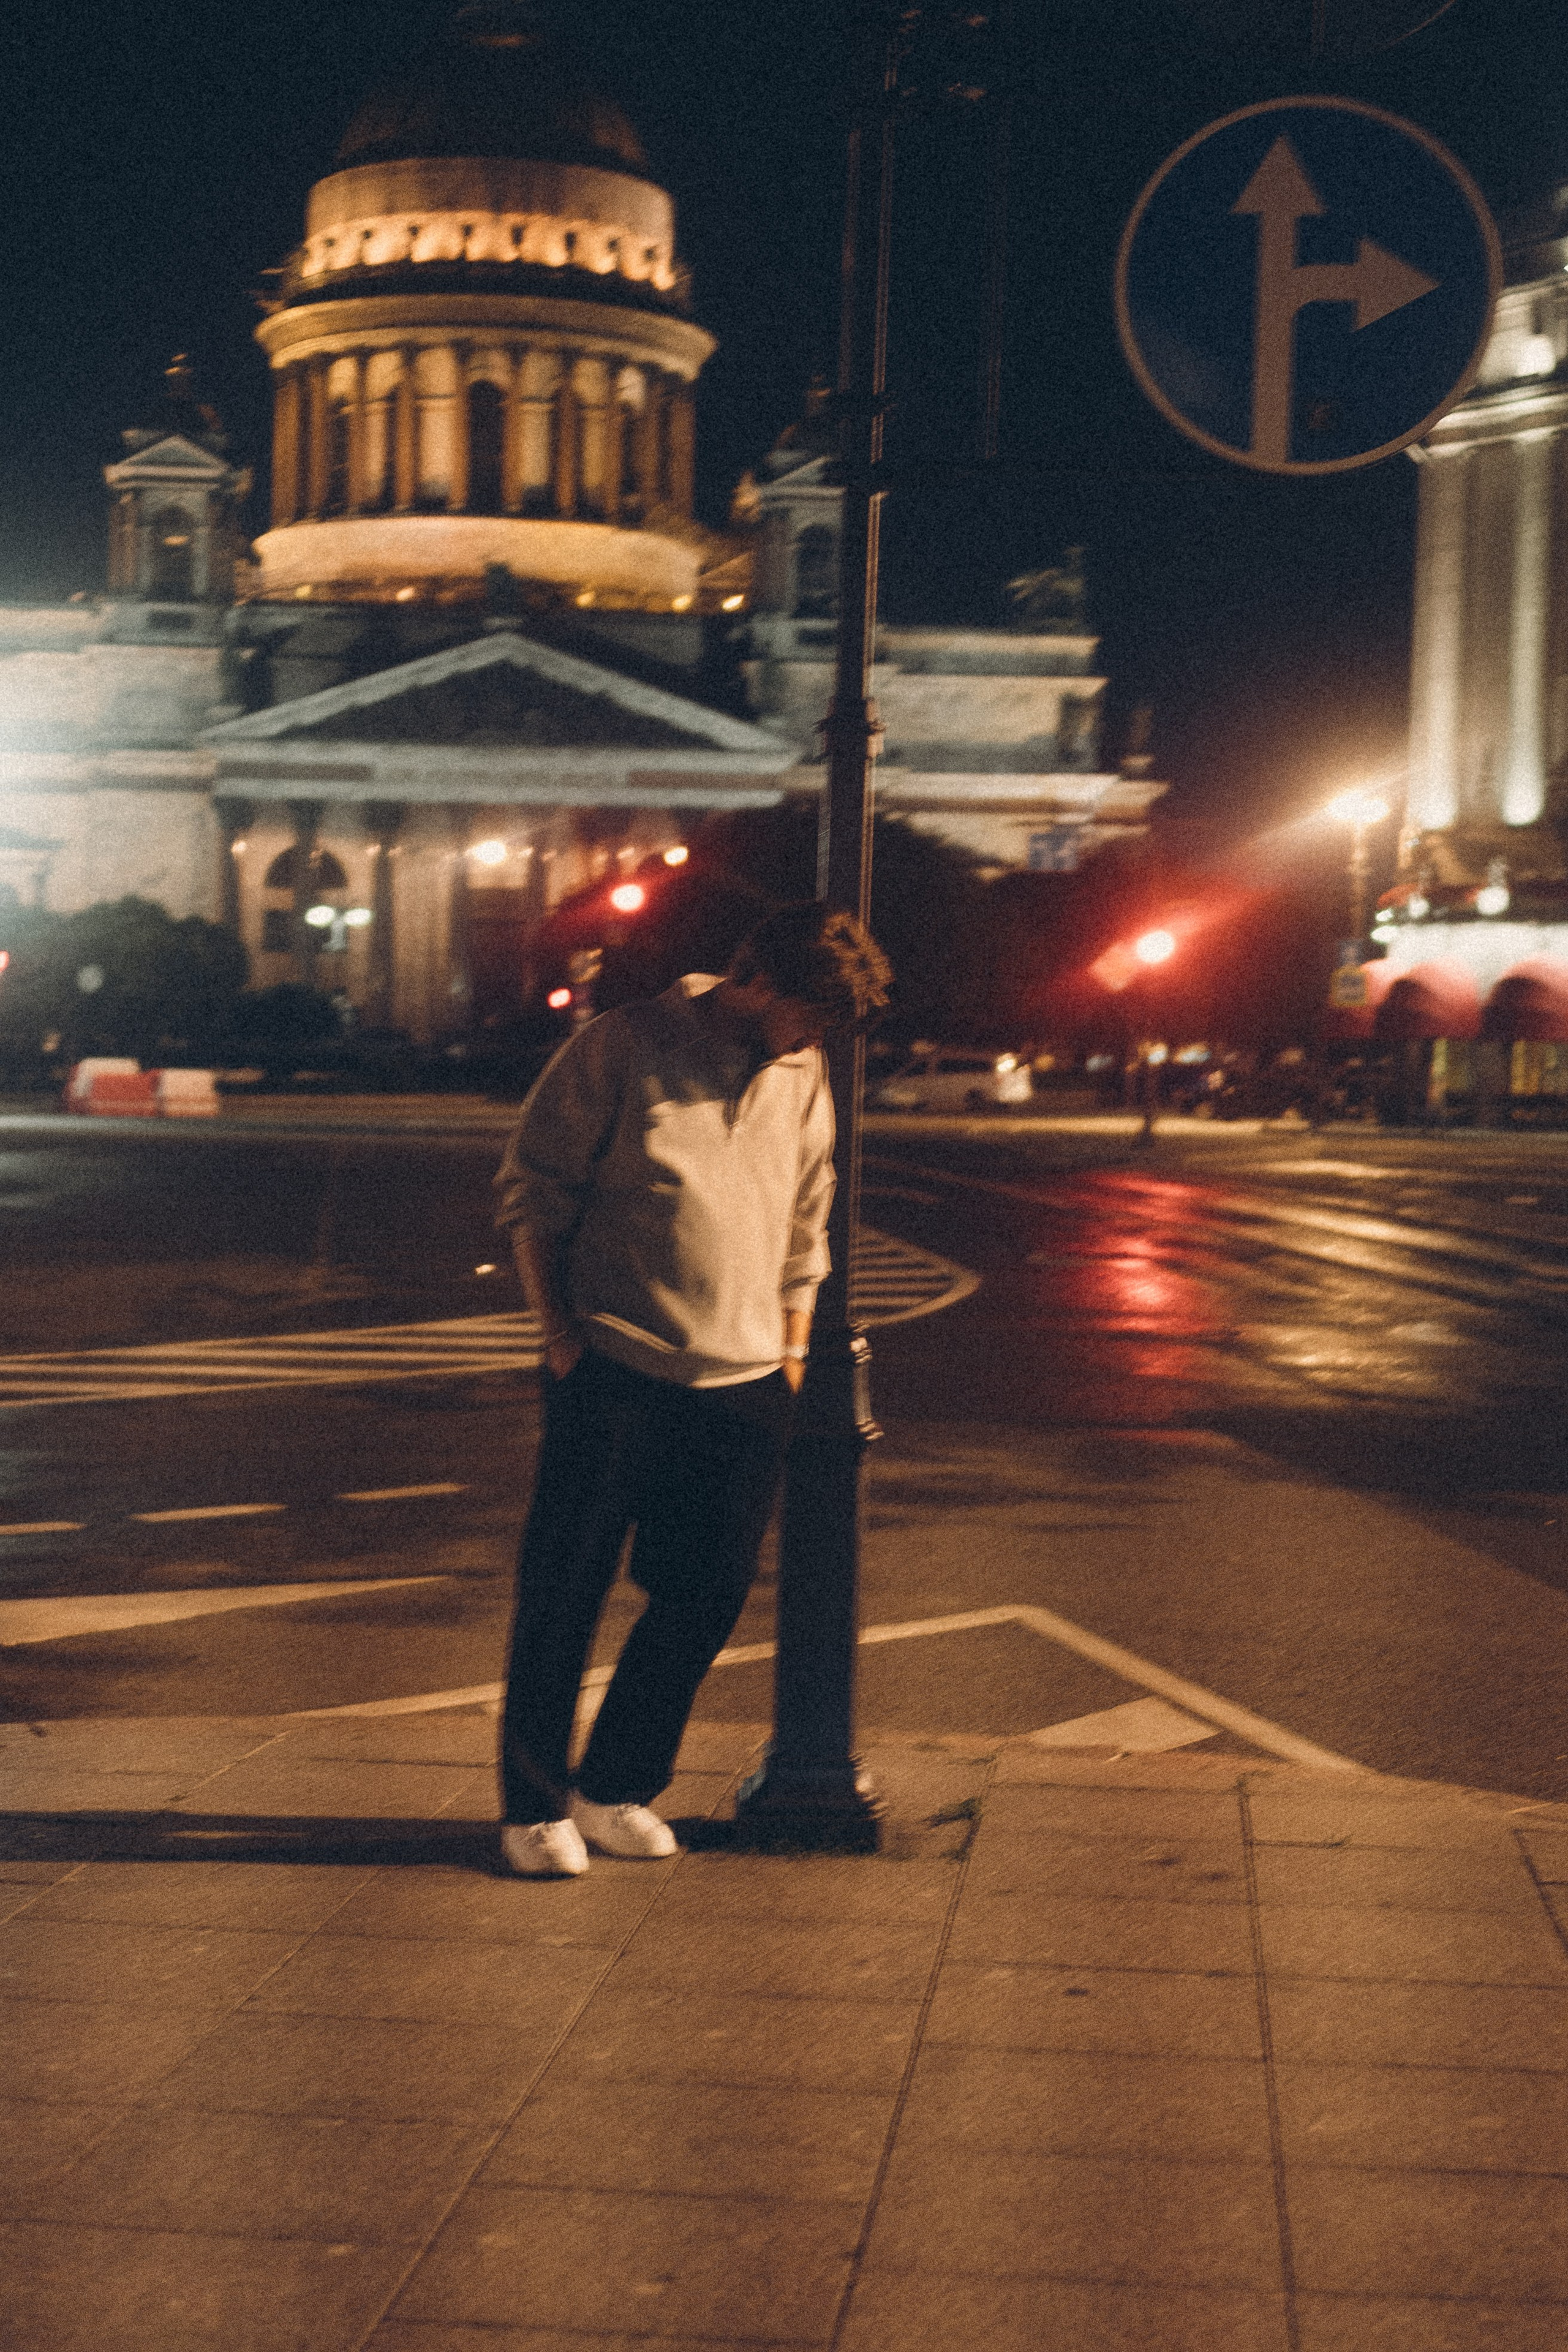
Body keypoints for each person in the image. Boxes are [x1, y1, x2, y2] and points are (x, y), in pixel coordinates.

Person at [492, 900, 892, 1875]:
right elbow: (534, 1191)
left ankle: (614, 1787)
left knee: (704, 1596)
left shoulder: (802, 1075)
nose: (812, 1042)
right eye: (805, 1017)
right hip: (616, 1370)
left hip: (749, 1380)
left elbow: (811, 1217)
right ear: (756, 981)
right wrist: (560, 1339)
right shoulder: (619, 1046)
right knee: (565, 1594)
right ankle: (532, 1808)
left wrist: (792, 1349)